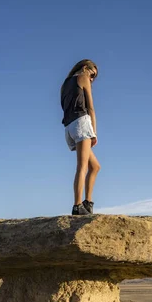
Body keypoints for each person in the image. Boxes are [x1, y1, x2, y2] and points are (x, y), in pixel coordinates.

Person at [61, 59, 100, 215]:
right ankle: (77, 205)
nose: (91, 79)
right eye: (92, 74)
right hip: (81, 123)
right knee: (82, 166)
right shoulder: (82, 77)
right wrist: (94, 133)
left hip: (69, 128)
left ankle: (87, 203)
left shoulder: (64, 84)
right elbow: (90, 108)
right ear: (85, 68)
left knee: (95, 167)